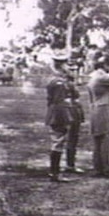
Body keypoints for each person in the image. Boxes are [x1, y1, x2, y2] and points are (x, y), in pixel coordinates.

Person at [44, 51, 77, 182]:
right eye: (65, 64)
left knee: (58, 141)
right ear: (61, 66)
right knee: (58, 141)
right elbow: (59, 101)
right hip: (59, 114)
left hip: (57, 112)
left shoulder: (57, 80)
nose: (67, 67)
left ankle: (55, 172)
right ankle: (54, 173)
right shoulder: (58, 82)